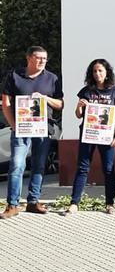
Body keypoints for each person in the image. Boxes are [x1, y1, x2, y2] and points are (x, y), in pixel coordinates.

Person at [0, 46, 64, 219]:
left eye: (45, 58)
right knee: (17, 165)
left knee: (39, 165)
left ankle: (33, 201)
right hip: (21, 129)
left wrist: (45, 99)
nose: (43, 61)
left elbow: (60, 104)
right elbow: (5, 102)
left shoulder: (52, 78)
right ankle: (12, 204)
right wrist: (13, 124)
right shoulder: (14, 76)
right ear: (29, 58)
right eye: (39, 58)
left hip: (43, 129)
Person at [67, 59, 115, 215]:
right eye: (94, 71)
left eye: (100, 70)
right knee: (82, 168)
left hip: (107, 136)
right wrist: (79, 106)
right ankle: (74, 203)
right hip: (88, 134)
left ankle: (110, 203)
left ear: (107, 72)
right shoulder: (86, 91)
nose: (97, 74)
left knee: (108, 169)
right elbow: (78, 115)